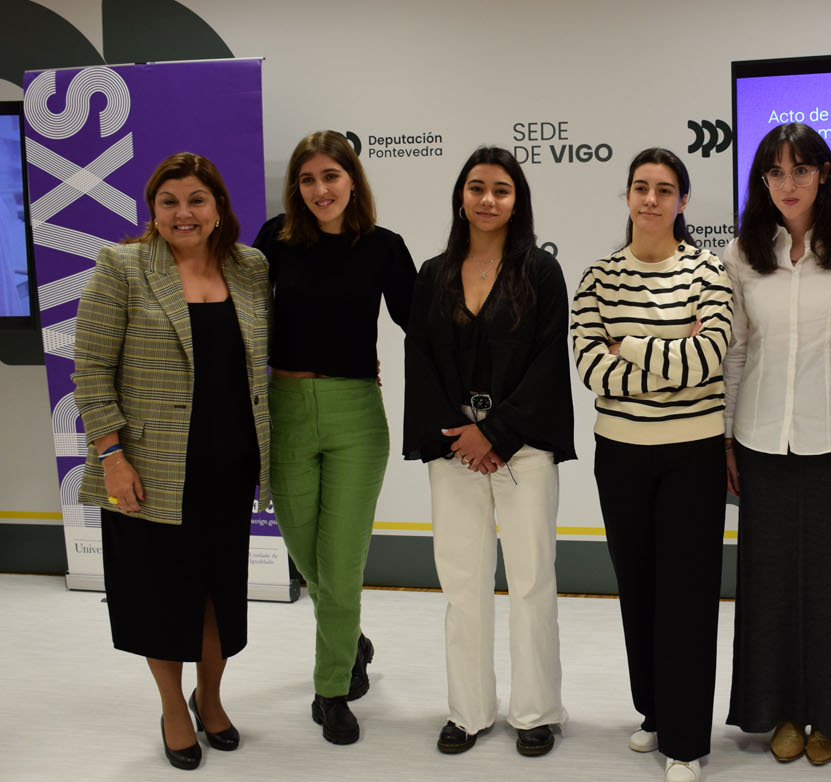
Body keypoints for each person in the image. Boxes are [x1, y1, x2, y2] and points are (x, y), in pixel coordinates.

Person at [72, 152, 270, 770]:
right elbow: (91, 370)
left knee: (219, 594)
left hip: (230, 464)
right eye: (169, 201)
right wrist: (112, 456)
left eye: (196, 201)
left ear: (218, 210)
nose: (183, 213)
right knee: (162, 598)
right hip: (151, 470)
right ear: (153, 209)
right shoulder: (122, 266)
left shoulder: (250, 267)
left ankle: (210, 696)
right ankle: (172, 707)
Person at [721, 123, 831, 766]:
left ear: (823, 174)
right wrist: (728, 439)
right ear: (764, 182)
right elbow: (736, 352)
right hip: (760, 440)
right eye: (775, 173)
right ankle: (780, 713)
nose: (788, 184)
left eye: (800, 170)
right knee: (768, 585)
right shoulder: (743, 255)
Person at [403, 146, 575, 758]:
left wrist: (497, 434)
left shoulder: (540, 272)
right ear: (460, 196)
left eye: (500, 190)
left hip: (522, 449)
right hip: (455, 450)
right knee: (462, 582)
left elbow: (551, 361)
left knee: (531, 581)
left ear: (516, 201)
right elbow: (420, 361)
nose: (487, 199)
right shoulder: (433, 273)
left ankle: (534, 711)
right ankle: (468, 711)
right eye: (476, 187)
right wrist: (462, 434)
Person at [570, 147, 733, 782]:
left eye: (665, 190)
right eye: (640, 187)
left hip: (691, 455)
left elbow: (708, 360)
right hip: (621, 456)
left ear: (683, 202)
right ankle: (656, 714)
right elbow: (590, 368)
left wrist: (630, 345)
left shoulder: (707, 272)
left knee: (688, 596)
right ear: (628, 196)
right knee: (638, 590)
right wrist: (669, 350)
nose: (650, 199)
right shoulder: (598, 277)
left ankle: (687, 742)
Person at [253, 130, 416, 745]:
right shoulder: (274, 240)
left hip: (355, 415)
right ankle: (352, 639)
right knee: (308, 559)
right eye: (308, 179)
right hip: (286, 406)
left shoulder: (383, 248)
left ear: (353, 180)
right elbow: (241, 313)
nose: (321, 190)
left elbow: (422, 326)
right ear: (298, 187)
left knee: (340, 565)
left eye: (331, 176)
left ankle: (332, 691)